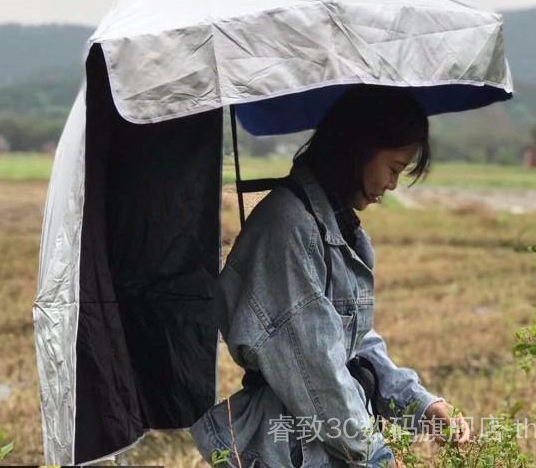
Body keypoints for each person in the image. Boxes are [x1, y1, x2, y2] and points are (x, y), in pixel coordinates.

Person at [191, 85, 470, 467]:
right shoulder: (288, 227)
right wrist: (376, 456)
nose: (392, 185)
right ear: (359, 148)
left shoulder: (340, 229)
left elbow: (354, 344)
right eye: (393, 168)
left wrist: (421, 406)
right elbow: (317, 370)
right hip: (288, 448)